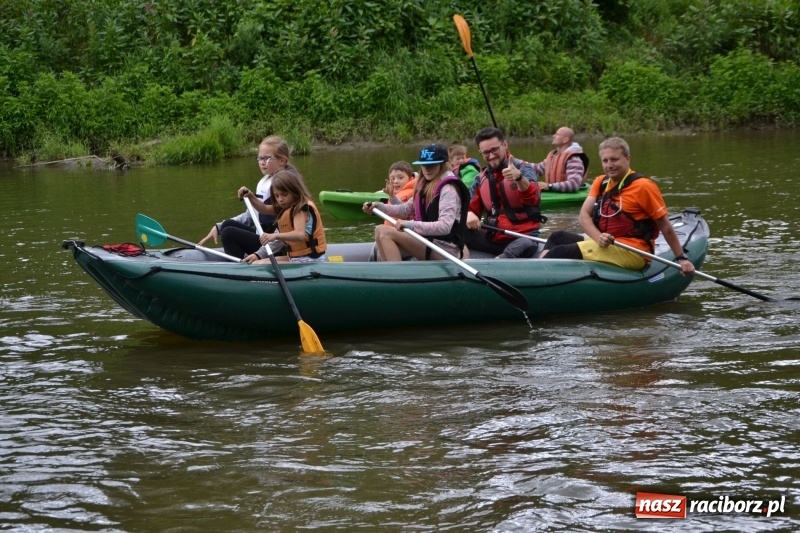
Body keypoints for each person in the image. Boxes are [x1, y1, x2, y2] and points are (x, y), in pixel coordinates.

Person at [539, 137, 696, 274]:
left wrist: (681, 258)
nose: (609, 165)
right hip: (608, 243)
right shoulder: (601, 182)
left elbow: (665, 226)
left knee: (560, 252)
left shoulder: (644, 186)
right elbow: (583, 216)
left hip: (633, 251)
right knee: (557, 237)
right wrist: (598, 237)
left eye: (614, 159)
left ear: (628, 159)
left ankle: (540, 279)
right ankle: (537, 270)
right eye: (605, 161)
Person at [362, 143, 470, 261]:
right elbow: (404, 210)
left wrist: (411, 225)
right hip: (427, 241)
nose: (427, 169)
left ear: (442, 165)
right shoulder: (424, 186)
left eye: (432, 165)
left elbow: (445, 227)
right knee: (379, 229)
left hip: (445, 249)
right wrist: (379, 207)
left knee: (386, 232)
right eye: (424, 165)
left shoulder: (448, 189)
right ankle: (390, 272)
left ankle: (397, 276)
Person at [199, 135, 298, 258]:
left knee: (229, 233)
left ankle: (241, 269)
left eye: (267, 158)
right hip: (263, 238)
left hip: (276, 244)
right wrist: (218, 227)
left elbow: (285, 223)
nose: (262, 162)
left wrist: (259, 254)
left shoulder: (285, 185)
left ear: (282, 160)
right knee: (227, 226)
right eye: (260, 158)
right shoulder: (266, 181)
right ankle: (242, 259)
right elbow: (252, 215)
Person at [463, 127, 544, 259]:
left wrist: (519, 178)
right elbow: (471, 208)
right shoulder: (480, 178)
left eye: (494, 150)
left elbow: (534, 199)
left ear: (505, 145)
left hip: (522, 236)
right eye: (486, 153)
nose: (491, 156)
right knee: (456, 229)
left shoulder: (524, 169)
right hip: (492, 237)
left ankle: (501, 261)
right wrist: (468, 213)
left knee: (527, 243)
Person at [243, 169, 327, 264]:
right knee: (257, 263)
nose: (280, 199)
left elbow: (299, 235)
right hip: (296, 257)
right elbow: (263, 208)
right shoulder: (286, 208)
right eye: (277, 196)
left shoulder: (300, 209)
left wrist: (275, 236)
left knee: (260, 265)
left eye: (284, 194)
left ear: (294, 191)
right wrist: (250, 195)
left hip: (309, 259)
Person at [533, 126, 590, 193]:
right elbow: (537, 168)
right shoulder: (554, 156)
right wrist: (518, 163)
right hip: (555, 193)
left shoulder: (573, 159)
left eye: (557, 134)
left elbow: (574, 184)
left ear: (565, 140)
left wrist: (550, 186)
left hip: (568, 196)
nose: (553, 136)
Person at [379, 161, 417, 226]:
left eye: (400, 178)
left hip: (405, 231)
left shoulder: (412, 194)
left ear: (411, 179)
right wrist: (391, 195)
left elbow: (404, 212)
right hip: (393, 230)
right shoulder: (394, 193)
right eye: (392, 178)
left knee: (380, 229)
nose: (396, 181)